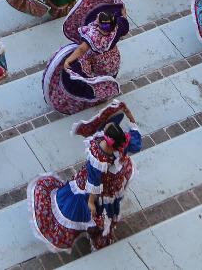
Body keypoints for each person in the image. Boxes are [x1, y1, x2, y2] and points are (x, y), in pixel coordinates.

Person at [28, 101, 143, 252]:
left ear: (107, 139)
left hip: (97, 189)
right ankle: (100, 233)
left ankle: (95, 231)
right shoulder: (124, 143)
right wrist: (129, 116)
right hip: (113, 183)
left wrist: (90, 202)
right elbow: (137, 140)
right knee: (106, 209)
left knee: (89, 211)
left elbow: (94, 183)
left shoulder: (98, 156)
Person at [42, 0, 130, 114]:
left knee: (89, 73)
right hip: (112, 58)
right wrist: (120, 9)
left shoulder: (94, 35)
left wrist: (68, 60)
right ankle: (106, 87)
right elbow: (123, 15)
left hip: (96, 59)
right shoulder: (119, 27)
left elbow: (82, 49)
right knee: (108, 73)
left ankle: (97, 91)